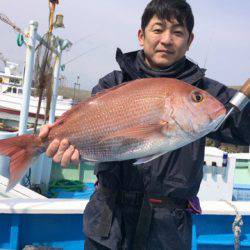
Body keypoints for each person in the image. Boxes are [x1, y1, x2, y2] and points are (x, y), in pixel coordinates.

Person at [39, 0, 250, 249]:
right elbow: (89, 136)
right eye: (158, 29)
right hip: (109, 222)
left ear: (190, 40)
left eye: (178, 32)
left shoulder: (205, 93)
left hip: (168, 229)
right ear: (141, 35)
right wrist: (64, 147)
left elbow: (243, 126)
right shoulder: (112, 84)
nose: (167, 39)